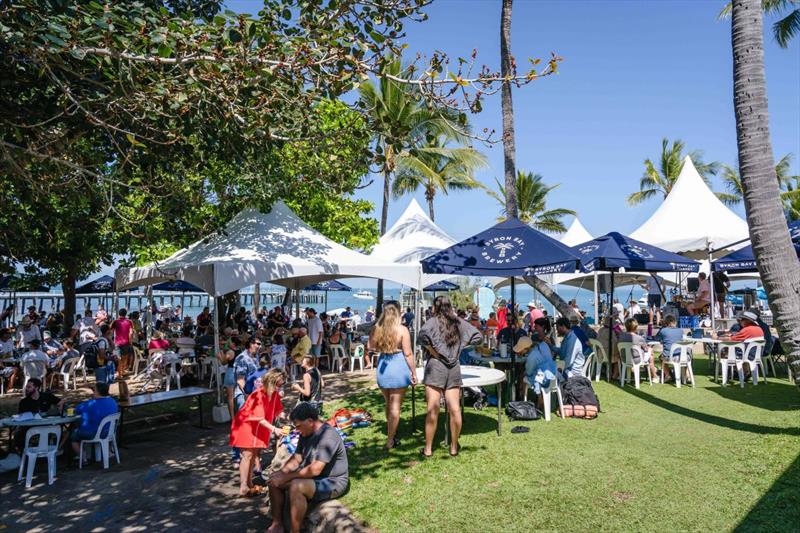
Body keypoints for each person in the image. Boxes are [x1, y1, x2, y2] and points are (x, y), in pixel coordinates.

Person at [267, 402, 349, 533]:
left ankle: (296, 531)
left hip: (332, 482)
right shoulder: (305, 432)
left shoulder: (328, 436)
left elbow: (315, 469)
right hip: (314, 478)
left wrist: (287, 476)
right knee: (273, 481)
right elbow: (297, 458)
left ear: (310, 421)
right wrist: (281, 473)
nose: (297, 430)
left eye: (298, 426)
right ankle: (277, 524)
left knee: (296, 486)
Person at [418, 296, 481, 458]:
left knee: (433, 409)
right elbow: (477, 336)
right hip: (454, 367)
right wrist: (461, 346)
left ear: (435, 307)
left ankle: (428, 449)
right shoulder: (459, 322)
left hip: (435, 366)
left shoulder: (432, 322)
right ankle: (453, 447)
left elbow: (422, 337)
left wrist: (434, 352)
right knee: (455, 409)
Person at [367, 300, 415, 450]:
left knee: (388, 402)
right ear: (398, 312)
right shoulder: (402, 330)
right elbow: (408, 354)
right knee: (395, 406)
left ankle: (392, 431)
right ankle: (390, 439)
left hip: (383, 367)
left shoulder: (377, 328)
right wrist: (413, 372)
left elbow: (370, 347)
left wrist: (384, 347)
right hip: (399, 367)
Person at [230, 368, 286, 497]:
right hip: (245, 425)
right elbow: (259, 417)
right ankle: (244, 486)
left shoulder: (274, 394)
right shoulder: (258, 394)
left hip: (256, 427)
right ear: (271, 382)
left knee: (254, 453)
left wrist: (288, 417)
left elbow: (278, 410)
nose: (280, 387)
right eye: (278, 384)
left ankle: (249, 484)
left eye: (281, 384)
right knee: (247, 455)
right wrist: (274, 429)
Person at [68, 381, 119, 459]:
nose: (93, 392)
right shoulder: (112, 401)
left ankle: (82, 457)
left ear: (98, 392)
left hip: (95, 433)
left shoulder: (91, 403)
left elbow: (77, 409)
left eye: (94, 390)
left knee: (74, 436)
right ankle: (108, 452)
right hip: (110, 431)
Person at [523, 318, 558, 410]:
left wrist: (549, 345)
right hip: (535, 362)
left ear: (542, 327)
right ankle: (533, 398)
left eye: (536, 326)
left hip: (545, 366)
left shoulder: (549, 339)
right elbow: (529, 348)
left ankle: (536, 399)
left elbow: (553, 354)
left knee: (530, 373)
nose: (534, 327)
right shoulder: (534, 337)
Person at [619, 318, 658, 382]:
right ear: (635, 327)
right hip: (637, 359)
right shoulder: (639, 338)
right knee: (650, 353)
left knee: (649, 352)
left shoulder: (621, 336)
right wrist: (650, 349)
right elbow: (646, 349)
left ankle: (653, 372)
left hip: (624, 359)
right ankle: (654, 375)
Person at [655, 315, 685, 382]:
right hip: (681, 356)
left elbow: (657, 338)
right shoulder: (681, 331)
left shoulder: (663, 330)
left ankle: (668, 375)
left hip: (669, 356)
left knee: (661, 357)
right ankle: (685, 376)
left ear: (665, 323)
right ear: (675, 322)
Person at [111, 308, 134, 377]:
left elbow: (110, 330)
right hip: (126, 342)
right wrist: (130, 342)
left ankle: (120, 373)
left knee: (119, 359)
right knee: (125, 358)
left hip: (117, 343)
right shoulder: (129, 321)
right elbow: (131, 333)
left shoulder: (115, 321)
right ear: (126, 314)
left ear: (119, 314)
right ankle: (123, 371)